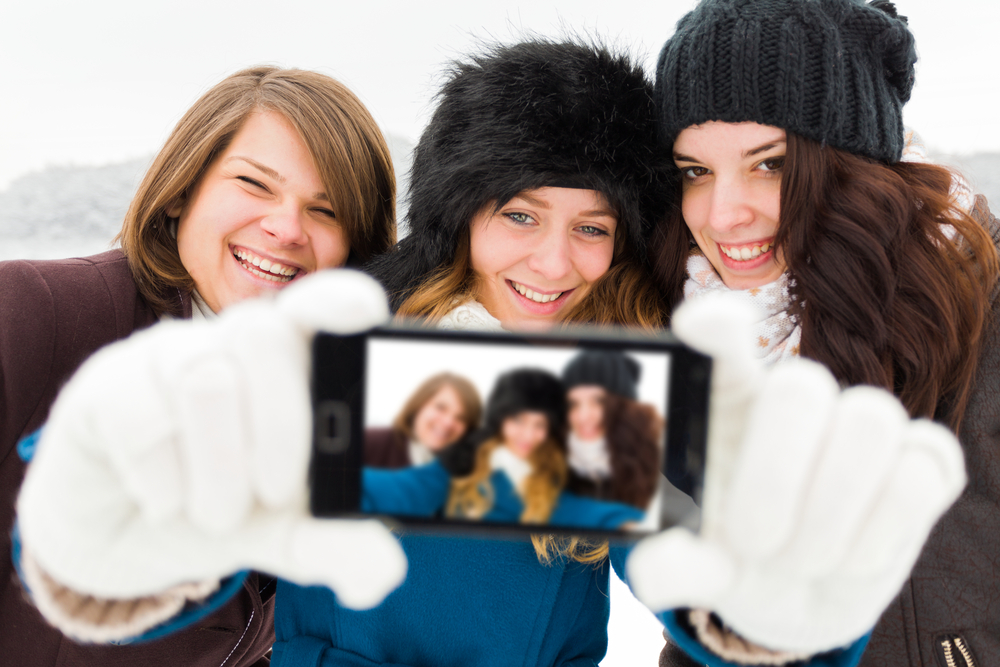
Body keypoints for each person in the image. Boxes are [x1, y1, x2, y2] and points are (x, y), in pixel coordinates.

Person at [14, 38, 966, 667]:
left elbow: (697, 580)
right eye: (519, 214)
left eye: (592, 227)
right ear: (461, 219)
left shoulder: (603, 397)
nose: (553, 261)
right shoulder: (359, 360)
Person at [0, 66, 396, 666]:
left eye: (327, 210)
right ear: (185, 189)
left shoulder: (333, 402)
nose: (286, 228)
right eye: (255, 184)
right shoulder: (36, 309)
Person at [645, 0, 1000, 665]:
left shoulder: (984, 314)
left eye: (769, 163)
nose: (722, 214)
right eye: (695, 171)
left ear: (856, 163)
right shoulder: (699, 338)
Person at [363, 368, 645, 530]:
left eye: (539, 425)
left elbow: (586, 511)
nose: (528, 435)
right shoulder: (465, 460)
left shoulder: (557, 471)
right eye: (519, 421)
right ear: (500, 421)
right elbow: (408, 489)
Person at [561, 350, 662, 509]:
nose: (583, 416)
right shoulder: (546, 470)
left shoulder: (655, 478)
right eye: (573, 404)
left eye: (598, 401)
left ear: (623, 409)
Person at [364, 372, 481, 469]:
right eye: (440, 408)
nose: (448, 423)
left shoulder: (469, 473)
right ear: (418, 404)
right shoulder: (368, 442)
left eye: (461, 418)